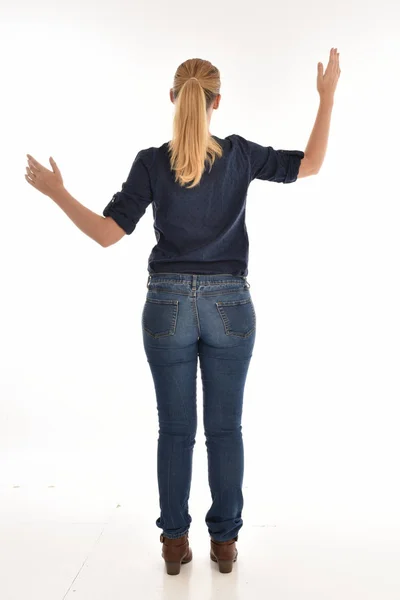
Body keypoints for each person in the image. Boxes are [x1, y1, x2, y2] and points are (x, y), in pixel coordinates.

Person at [25, 48, 341, 575]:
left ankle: (174, 544)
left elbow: (108, 235)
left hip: (166, 304)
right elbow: (310, 165)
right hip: (230, 305)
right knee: (225, 430)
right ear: (218, 101)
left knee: (174, 430)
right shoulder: (239, 155)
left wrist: (59, 193)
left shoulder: (152, 162)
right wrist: (326, 98)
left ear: (173, 97)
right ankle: (224, 544)